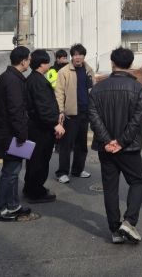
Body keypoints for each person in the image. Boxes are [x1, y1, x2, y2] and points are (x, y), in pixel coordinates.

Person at [89, 47, 142, 244]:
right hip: (129, 147)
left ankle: (115, 230)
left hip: (106, 148)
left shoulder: (98, 89)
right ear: (130, 64)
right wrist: (121, 142)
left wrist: (107, 140)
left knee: (110, 188)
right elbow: (137, 119)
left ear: (112, 63)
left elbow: (94, 118)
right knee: (137, 182)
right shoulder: (137, 88)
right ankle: (129, 222)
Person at [0, 46, 36, 222]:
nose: (29, 62)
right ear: (23, 61)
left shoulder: (9, 77)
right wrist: (22, 134)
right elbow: (16, 110)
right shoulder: (12, 80)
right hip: (11, 135)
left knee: (13, 171)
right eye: (29, 59)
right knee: (9, 173)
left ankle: (13, 205)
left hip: (9, 133)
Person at [23, 50, 65, 203]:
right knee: (39, 161)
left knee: (34, 160)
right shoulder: (38, 81)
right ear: (42, 64)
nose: (49, 65)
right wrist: (55, 124)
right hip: (40, 129)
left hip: (37, 128)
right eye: (47, 62)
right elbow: (43, 107)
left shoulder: (34, 79)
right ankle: (35, 192)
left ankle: (30, 189)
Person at [54, 43, 95, 183]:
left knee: (82, 145)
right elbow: (59, 93)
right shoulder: (64, 72)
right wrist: (60, 110)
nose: (78, 57)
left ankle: (77, 170)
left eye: (80, 55)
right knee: (66, 145)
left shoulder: (89, 70)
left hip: (85, 112)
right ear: (72, 56)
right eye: (75, 55)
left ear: (84, 56)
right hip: (70, 114)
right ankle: (62, 172)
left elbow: (93, 90)